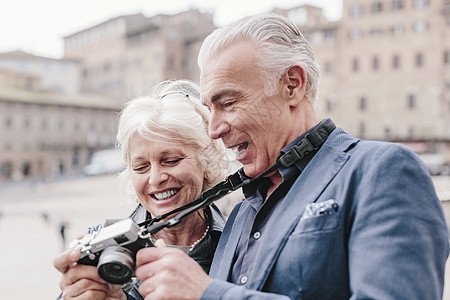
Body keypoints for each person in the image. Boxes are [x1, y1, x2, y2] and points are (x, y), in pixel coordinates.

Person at [132, 13, 450, 300]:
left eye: (227, 103)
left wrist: (209, 294)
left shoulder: (380, 171)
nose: (214, 130)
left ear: (292, 85)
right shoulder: (240, 216)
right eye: (209, 110)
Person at [53, 80, 232, 299]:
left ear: (206, 160)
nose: (155, 179)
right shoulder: (100, 246)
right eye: (141, 167)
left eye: (171, 160)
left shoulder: (241, 238)